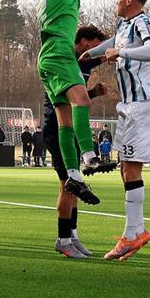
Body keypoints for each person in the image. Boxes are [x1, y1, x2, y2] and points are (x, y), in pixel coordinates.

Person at [27, 0, 125, 205]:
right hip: (59, 53)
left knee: (65, 121)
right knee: (82, 102)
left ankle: (74, 174)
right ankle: (89, 157)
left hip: (47, 59)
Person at [82, 0, 150, 261]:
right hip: (128, 106)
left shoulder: (143, 22)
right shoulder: (123, 26)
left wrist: (122, 52)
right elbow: (112, 44)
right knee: (125, 169)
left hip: (143, 104)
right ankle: (135, 232)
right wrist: (89, 54)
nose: (116, 0)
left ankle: (132, 236)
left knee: (131, 169)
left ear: (130, 0)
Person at [44, 24, 108, 257]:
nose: (95, 49)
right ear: (83, 42)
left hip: (68, 128)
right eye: (94, 45)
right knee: (68, 184)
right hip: (57, 127)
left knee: (76, 183)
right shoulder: (65, 61)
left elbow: (77, 95)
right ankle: (63, 240)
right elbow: (63, 98)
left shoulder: (80, 63)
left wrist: (93, 93)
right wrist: (107, 55)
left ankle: (73, 237)